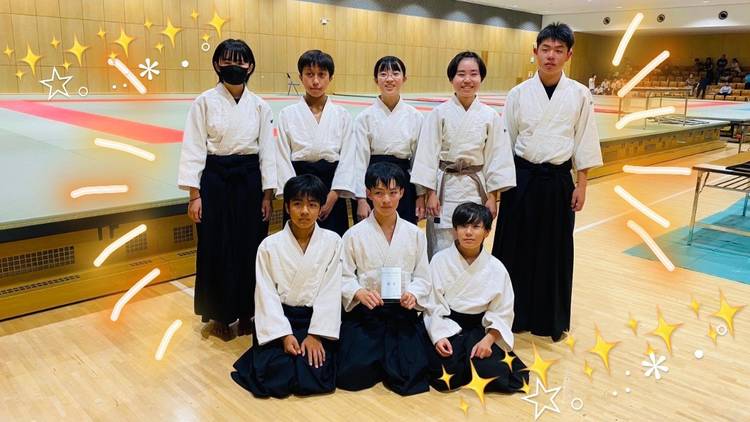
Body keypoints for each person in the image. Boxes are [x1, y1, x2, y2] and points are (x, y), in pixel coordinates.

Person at [491, 22, 603, 342]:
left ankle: (549, 319)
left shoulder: (579, 94)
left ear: (569, 55)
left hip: (557, 181)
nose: (551, 56)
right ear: (535, 52)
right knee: (515, 248)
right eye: (545, 49)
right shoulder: (518, 94)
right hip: (521, 180)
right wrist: (497, 192)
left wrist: (582, 184)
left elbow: (584, 140)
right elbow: (505, 143)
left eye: (558, 50)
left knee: (554, 251)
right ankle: (511, 315)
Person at [177, 39, 276, 341]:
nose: (235, 66)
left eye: (241, 61)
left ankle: (247, 312)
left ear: (251, 66)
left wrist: (268, 195)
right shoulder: (204, 102)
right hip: (215, 179)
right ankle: (219, 313)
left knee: (250, 245)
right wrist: (194, 195)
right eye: (227, 60)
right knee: (214, 245)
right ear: (217, 64)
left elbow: (268, 152)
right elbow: (193, 148)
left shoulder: (260, 106)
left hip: (249, 179)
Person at [231, 175, 342, 398]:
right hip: (281, 319)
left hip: (313, 320)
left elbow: (331, 291)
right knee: (275, 377)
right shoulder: (269, 246)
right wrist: (283, 335)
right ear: (287, 207)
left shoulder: (333, 242)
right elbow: (266, 295)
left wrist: (316, 335)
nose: (305, 211)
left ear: (320, 208)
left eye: (312, 205)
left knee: (315, 375)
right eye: (298, 204)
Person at [337, 162, 434, 396]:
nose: (386, 200)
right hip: (367, 314)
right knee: (349, 376)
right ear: (368, 194)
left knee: (413, 378)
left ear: (402, 192)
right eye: (379, 193)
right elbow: (343, 276)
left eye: (392, 192)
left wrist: (413, 294)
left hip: (401, 313)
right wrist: (358, 292)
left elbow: (423, 277)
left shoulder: (415, 234)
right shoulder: (353, 235)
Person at [411, 51, 515, 258]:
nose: (467, 80)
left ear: (481, 78)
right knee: (441, 247)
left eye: (473, 74)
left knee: (471, 241)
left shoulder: (490, 116)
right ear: (451, 78)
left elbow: (496, 158)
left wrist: (492, 197)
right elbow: (427, 155)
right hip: (444, 190)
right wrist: (429, 193)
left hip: (475, 190)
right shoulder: (438, 114)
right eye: (461, 74)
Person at [424, 203, 528, 393]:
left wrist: (489, 340)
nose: (469, 232)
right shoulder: (440, 260)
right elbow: (433, 304)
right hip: (447, 325)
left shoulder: (496, 268)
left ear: (487, 232)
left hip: (480, 328)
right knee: (443, 378)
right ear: (455, 230)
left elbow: (502, 311)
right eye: (463, 226)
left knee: (497, 374)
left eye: (476, 226)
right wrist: (438, 336)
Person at [275, 50, 357, 236]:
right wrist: (295, 199)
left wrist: (334, 195)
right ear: (300, 77)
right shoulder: (287, 115)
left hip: (331, 188)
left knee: (333, 241)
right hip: (298, 186)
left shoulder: (342, 115)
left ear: (330, 77)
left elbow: (348, 159)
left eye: (321, 75)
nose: (315, 81)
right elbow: (281, 157)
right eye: (309, 74)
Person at [352, 56, 424, 224]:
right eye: (383, 74)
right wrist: (361, 199)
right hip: (373, 184)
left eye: (395, 73)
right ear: (376, 79)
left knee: (404, 231)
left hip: (403, 185)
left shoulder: (416, 117)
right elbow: (359, 161)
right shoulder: (364, 117)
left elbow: (419, 160)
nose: (389, 79)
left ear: (404, 78)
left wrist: (421, 195)